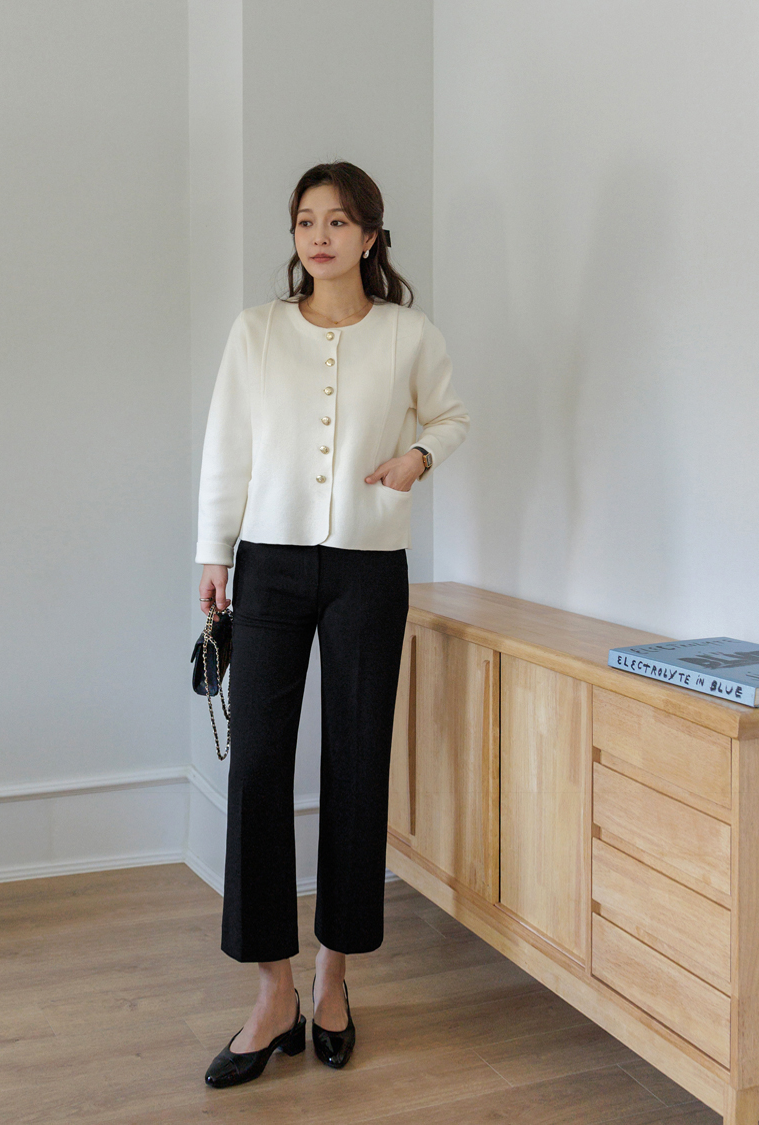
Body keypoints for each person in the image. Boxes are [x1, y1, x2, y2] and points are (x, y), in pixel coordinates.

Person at [195, 161, 470, 1088]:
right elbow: (227, 446)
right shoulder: (257, 331)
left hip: (368, 570)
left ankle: (334, 977)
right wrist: (213, 553)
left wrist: (418, 455)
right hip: (267, 566)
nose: (320, 236)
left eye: (339, 221)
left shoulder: (408, 333)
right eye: (306, 220)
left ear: (370, 236)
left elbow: (452, 415)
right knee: (259, 766)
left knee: (355, 767)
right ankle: (272, 992)